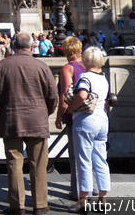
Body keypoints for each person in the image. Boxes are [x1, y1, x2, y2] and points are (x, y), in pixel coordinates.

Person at [0, 32, 57, 215]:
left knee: (14, 163)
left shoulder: (2, 66)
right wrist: (44, 113)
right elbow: (53, 97)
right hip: (37, 121)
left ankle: (18, 207)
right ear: (31, 47)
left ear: (13, 46)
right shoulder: (42, 67)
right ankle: (40, 205)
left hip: (11, 121)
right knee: (39, 164)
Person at [67, 47, 111, 212]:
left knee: (84, 160)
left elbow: (82, 95)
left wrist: (71, 108)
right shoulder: (103, 78)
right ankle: (102, 197)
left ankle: (83, 200)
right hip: (102, 120)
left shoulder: (85, 77)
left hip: (86, 120)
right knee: (101, 159)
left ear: (85, 61)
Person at [55, 36, 86, 201]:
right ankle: (92, 188)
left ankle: (78, 191)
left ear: (66, 50)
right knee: (90, 154)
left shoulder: (69, 68)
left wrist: (59, 116)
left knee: (75, 155)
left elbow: (66, 96)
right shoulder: (89, 66)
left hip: (75, 116)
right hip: (92, 115)